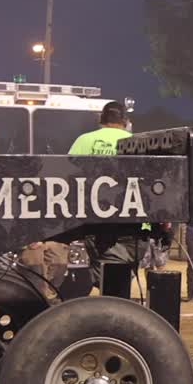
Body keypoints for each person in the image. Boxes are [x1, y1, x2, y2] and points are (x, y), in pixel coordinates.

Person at [67, 102, 138, 289]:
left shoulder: (84, 141)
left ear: (101, 120)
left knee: (100, 270)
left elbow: (67, 177)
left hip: (93, 220)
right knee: (120, 276)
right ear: (126, 121)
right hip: (132, 222)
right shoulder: (139, 142)